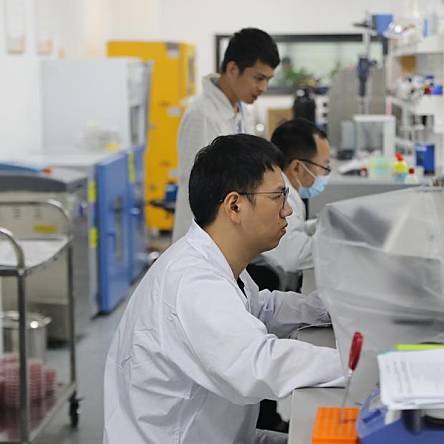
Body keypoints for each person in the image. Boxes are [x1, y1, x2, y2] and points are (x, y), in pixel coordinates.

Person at [104, 134, 343, 444]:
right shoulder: (193, 282)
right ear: (234, 205)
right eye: (278, 197)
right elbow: (258, 363)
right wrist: (362, 366)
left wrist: (328, 308)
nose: (288, 211)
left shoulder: (215, 262)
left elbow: (261, 307)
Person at [172, 28, 280, 242]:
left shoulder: (239, 109)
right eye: (258, 78)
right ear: (232, 69)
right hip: (203, 239)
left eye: (268, 80)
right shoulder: (202, 115)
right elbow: (200, 191)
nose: (263, 87)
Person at [261, 118, 331, 273]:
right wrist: (343, 244)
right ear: (297, 167)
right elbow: (293, 256)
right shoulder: (280, 195)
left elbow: (292, 230)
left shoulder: (285, 189)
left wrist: (319, 224)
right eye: (324, 166)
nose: (326, 174)